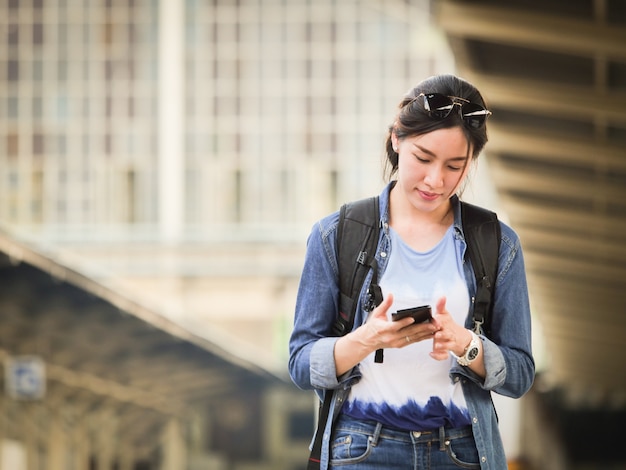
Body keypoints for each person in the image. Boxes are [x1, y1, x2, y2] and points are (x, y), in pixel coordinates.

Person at [288, 74, 534, 469]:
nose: (436, 180)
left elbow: (520, 373)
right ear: (396, 140)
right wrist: (366, 339)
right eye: (423, 158)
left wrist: (466, 345)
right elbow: (301, 362)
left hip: (462, 451)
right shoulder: (337, 235)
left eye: (455, 166)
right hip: (363, 449)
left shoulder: (498, 244)